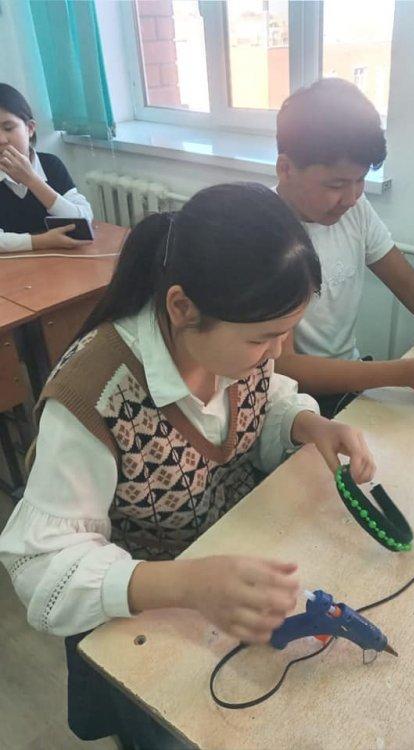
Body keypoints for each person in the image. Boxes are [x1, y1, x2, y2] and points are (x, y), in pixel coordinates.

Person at [0, 183, 374, 749]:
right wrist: (185, 582)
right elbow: (39, 566)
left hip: (228, 569)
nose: (276, 352)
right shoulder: (94, 398)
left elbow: (263, 400)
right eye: (264, 338)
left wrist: (307, 423)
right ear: (181, 308)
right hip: (150, 615)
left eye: (282, 334)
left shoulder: (233, 347)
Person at [274, 78, 414, 418]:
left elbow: (412, 286)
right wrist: (404, 373)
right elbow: (285, 367)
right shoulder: (266, 235)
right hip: (293, 407)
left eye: (360, 180)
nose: (351, 197)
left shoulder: (353, 211)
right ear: (286, 169)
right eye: (336, 184)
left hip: (346, 383)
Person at [0, 83, 93, 252]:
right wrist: (41, 241)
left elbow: (83, 219)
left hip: (58, 260)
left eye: (8, 128)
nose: (1, 139)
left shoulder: (50, 165)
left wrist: (32, 180)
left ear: (30, 128)